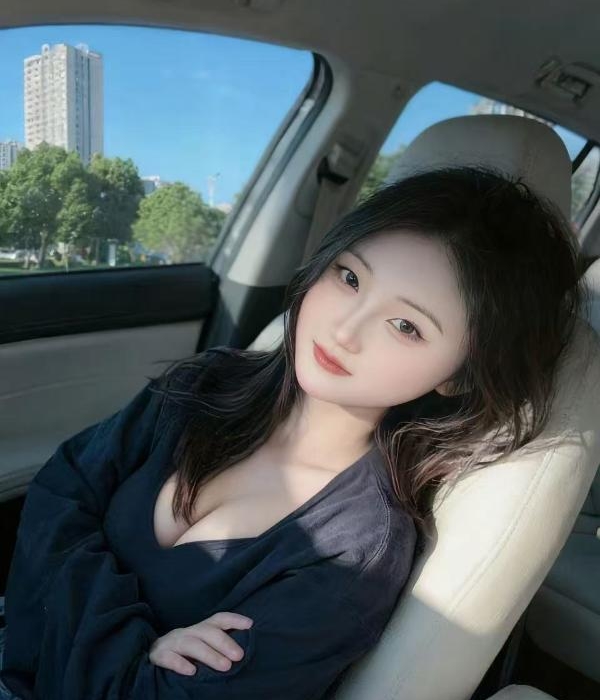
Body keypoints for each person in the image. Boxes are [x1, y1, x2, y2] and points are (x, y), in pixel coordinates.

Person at [0, 167, 587, 700]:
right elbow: (56, 490)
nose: (346, 329)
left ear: (458, 375)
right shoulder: (205, 383)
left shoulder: (353, 556)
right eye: (350, 277)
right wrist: (134, 643)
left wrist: (75, 594)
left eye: (406, 325)